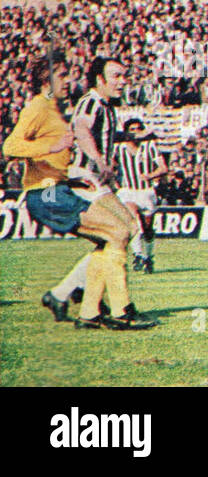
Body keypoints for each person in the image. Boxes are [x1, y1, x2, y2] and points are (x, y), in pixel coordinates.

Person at [3, 52, 156, 330]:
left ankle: (81, 306)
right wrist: (69, 152)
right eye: (62, 75)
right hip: (63, 186)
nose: (69, 80)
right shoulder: (49, 106)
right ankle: (118, 310)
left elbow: (85, 132)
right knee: (120, 232)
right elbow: (12, 147)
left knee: (117, 235)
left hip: (76, 183)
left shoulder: (70, 107)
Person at [112, 118, 168, 273]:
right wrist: (112, 180)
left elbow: (163, 168)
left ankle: (148, 257)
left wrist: (151, 175)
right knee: (132, 219)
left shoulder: (149, 146)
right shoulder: (119, 148)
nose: (135, 132)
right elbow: (110, 166)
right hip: (128, 191)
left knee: (147, 229)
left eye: (138, 128)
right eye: (132, 129)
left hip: (146, 192)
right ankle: (137, 254)